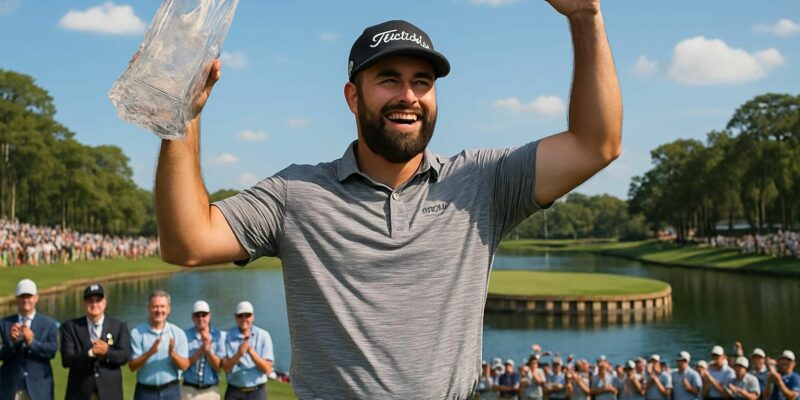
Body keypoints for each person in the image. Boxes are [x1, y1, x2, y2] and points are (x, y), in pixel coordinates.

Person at [153, 0, 622, 396]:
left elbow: (596, 144)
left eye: (423, 81)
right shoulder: (296, 194)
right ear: (353, 97)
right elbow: (186, 242)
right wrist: (183, 118)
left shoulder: (483, 181)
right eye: (389, 79)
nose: (409, 96)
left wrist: (586, 17)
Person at [60, 283, 133, 400]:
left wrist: (106, 352)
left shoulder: (119, 326)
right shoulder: (70, 327)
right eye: (90, 300)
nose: (94, 304)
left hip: (110, 393)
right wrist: (90, 353)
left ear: (105, 302)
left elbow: (125, 356)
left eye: (98, 300)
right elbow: (67, 360)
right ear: (84, 303)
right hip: (80, 392)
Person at [0, 279, 59, 400]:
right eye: (22, 296)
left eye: (29, 296)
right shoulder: (4, 324)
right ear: (16, 299)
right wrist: (12, 342)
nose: (26, 300)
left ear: (36, 298)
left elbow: (52, 351)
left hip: (40, 389)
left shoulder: (49, 324)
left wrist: (32, 342)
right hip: (11, 388)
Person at [129, 290, 190, 400]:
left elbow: (185, 366)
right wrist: (150, 353)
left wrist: (173, 354)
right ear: (148, 308)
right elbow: (132, 367)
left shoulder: (178, 333)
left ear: (168, 309)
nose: (159, 310)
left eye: (162, 306)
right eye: (155, 307)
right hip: (145, 392)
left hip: (170, 391)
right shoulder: (137, 333)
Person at [222, 301, 274, 400]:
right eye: (240, 316)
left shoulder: (263, 335)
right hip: (235, 391)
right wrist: (239, 353)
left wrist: (250, 351)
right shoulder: (227, 336)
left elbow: (267, 369)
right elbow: (226, 368)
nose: (244, 319)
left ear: (253, 317)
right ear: (235, 317)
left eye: (247, 315)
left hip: (257, 392)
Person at [182, 300, 225, 400]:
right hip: (189, 390)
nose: (201, 318)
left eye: (204, 315)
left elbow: (218, 367)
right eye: (197, 315)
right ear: (193, 317)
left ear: (209, 316)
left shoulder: (219, 336)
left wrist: (208, 351)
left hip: (211, 390)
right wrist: (201, 350)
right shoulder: (185, 336)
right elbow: (184, 366)